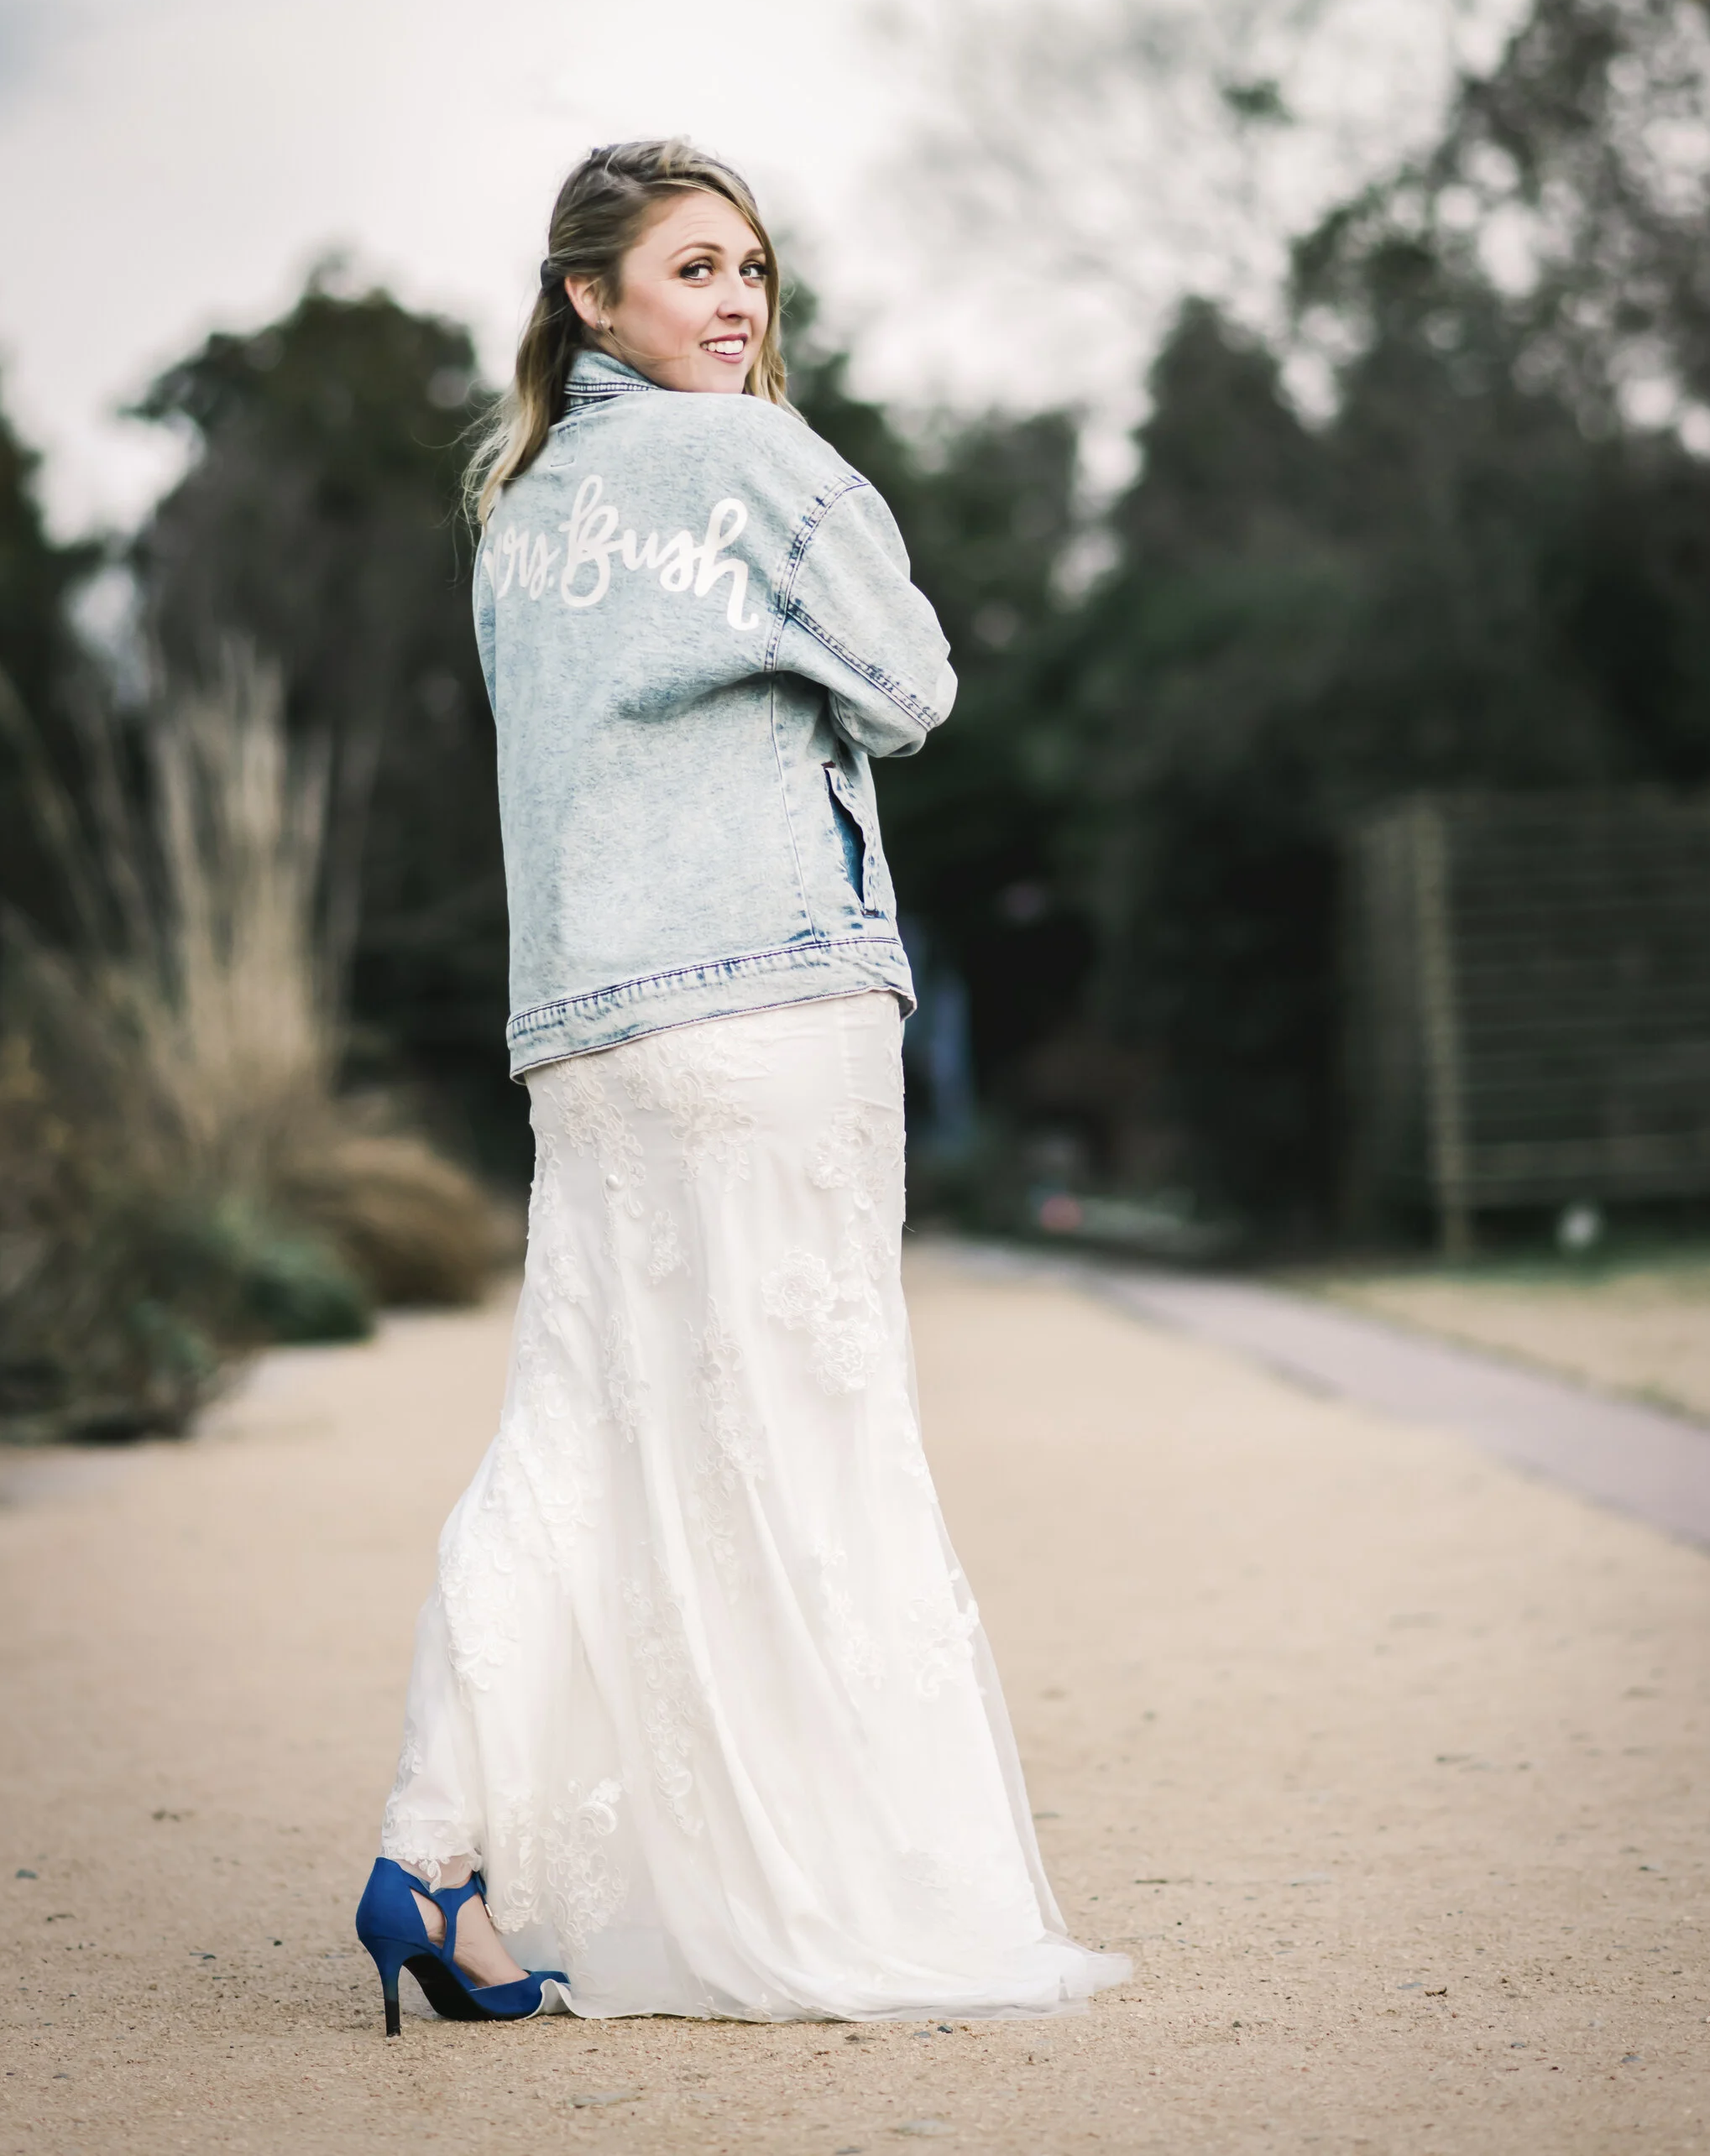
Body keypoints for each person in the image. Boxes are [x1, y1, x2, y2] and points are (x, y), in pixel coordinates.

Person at [354, 138, 1129, 2031]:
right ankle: (840, 1884)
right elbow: (914, 674)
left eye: (754, 273)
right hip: (773, 1009)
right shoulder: (763, 461)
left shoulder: (516, 507)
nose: (733, 302)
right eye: (690, 267)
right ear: (587, 297)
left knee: (574, 1431)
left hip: (590, 1035)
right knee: (811, 1442)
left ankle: (428, 1850)